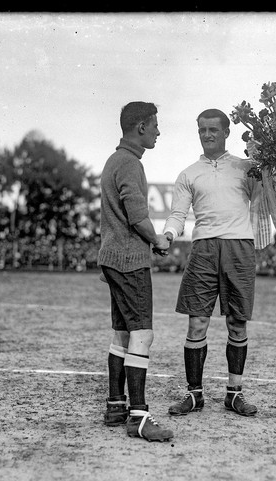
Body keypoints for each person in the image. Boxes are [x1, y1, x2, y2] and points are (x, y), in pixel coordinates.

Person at [163, 108, 261, 418]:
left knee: (237, 321)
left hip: (239, 247)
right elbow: (178, 214)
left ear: (226, 132)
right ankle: (195, 394)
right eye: (202, 130)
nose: (207, 135)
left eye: (213, 130)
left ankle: (234, 393)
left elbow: (270, 195)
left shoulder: (247, 168)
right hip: (203, 248)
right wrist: (168, 234)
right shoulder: (189, 173)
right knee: (197, 322)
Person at [97, 101, 174, 442]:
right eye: (155, 125)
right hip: (130, 261)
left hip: (113, 259)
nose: (158, 131)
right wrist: (158, 241)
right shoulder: (129, 163)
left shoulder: (115, 160)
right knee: (143, 335)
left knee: (122, 335)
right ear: (140, 127)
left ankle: (116, 405)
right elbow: (137, 215)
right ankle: (139, 418)